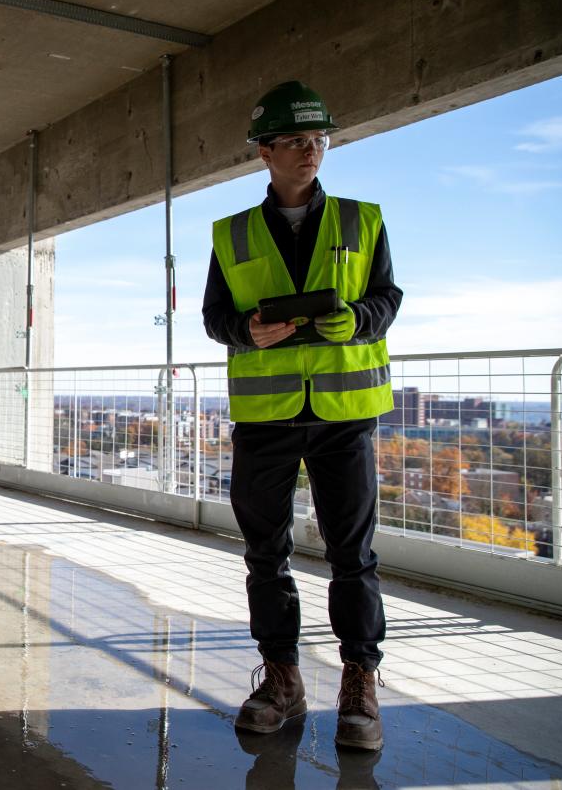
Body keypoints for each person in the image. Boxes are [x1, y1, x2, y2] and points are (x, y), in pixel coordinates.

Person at [202, 81, 403, 751]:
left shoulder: (362, 219)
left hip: (345, 413)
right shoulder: (231, 235)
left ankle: (360, 683)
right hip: (267, 417)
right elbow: (214, 317)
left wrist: (358, 320)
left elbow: (386, 298)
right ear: (265, 151)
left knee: (354, 556)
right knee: (266, 555)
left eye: (320, 140)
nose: (311, 152)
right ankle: (282, 676)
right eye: (296, 141)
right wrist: (244, 333)